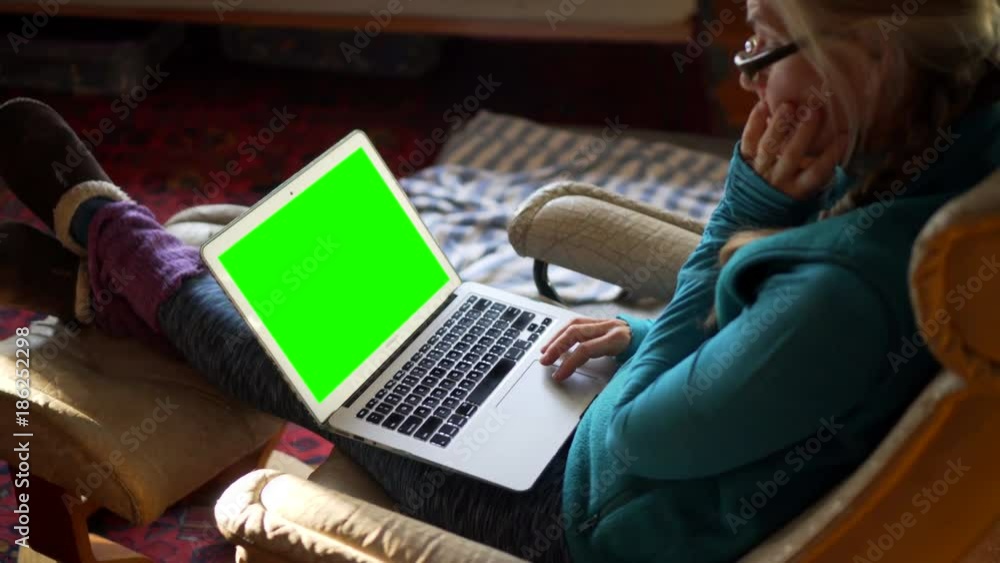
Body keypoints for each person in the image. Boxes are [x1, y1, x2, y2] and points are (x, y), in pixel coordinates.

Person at [1, 0, 997, 560]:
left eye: (766, 36)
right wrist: (657, 340)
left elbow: (633, 431)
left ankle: (105, 226)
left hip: (570, 508)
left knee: (312, 357)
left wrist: (741, 214)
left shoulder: (843, 297)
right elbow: (744, 360)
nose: (742, 73)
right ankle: (106, 282)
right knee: (325, 304)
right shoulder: (954, 158)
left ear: (863, 62)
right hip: (660, 458)